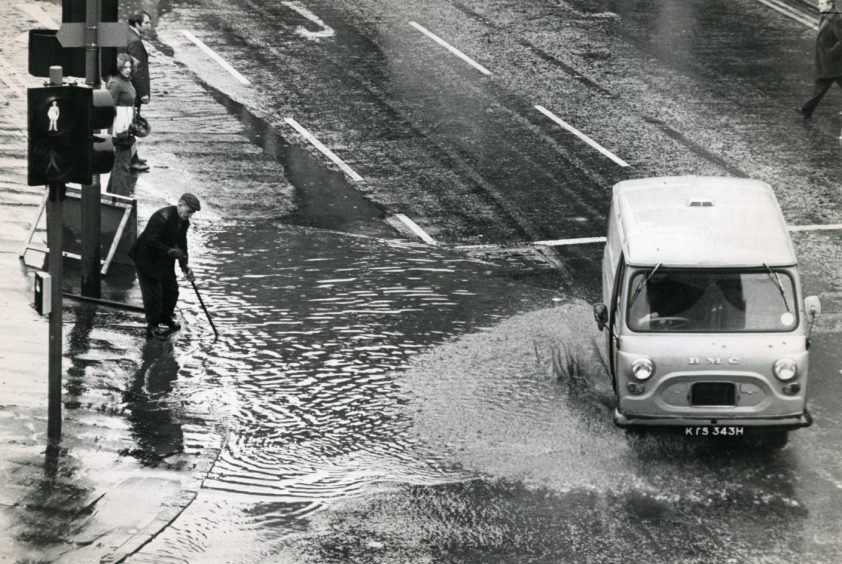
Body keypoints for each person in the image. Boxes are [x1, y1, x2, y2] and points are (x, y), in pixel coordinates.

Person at [130, 194, 201, 339]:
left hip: (164, 259)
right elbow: (151, 241)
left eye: (191, 213)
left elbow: (182, 244)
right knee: (153, 295)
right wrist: (169, 251)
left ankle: (165, 317)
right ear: (180, 204)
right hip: (146, 258)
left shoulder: (183, 221)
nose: (189, 216)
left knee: (172, 290)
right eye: (188, 211)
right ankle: (152, 326)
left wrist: (184, 266)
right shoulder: (161, 217)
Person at [798, 0, 842, 119]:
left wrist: (830, 54)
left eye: (821, 4)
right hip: (828, 62)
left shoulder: (837, 20)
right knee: (821, 85)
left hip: (835, 63)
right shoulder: (827, 16)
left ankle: (806, 110)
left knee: (821, 85)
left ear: (830, 5)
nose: (818, 6)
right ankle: (806, 110)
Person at [105, 53, 137, 196]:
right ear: (119, 68)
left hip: (126, 124)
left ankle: (114, 192)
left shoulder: (126, 81)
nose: (128, 70)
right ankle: (120, 195)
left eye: (130, 67)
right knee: (122, 163)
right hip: (120, 128)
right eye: (124, 67)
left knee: (122, 161)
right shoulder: (116, 83)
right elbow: (108, 106)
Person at [125, 10, 152, 172]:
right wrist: (143, 93)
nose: (149, 26)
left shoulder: (125, 32)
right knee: (130, 125)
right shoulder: (135, 42)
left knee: (129, 125)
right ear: (137, 24)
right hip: (132, 92)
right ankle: (131, 160)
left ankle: (133, 157)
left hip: (125, 89)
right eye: (147, 23)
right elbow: (137, 70)